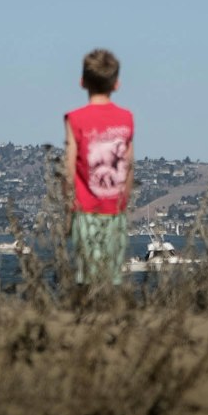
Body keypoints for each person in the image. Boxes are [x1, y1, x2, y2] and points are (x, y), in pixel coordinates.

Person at [64, 48, 134, 286]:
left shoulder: (74, 119)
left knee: (86, 281)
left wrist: (67, 208)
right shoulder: (126, 119)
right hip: (115, 210)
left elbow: (69, 168)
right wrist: (124, 203)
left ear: (82, 82)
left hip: (85, 212)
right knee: (112, 279)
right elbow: (129, 165)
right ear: (117, 84)